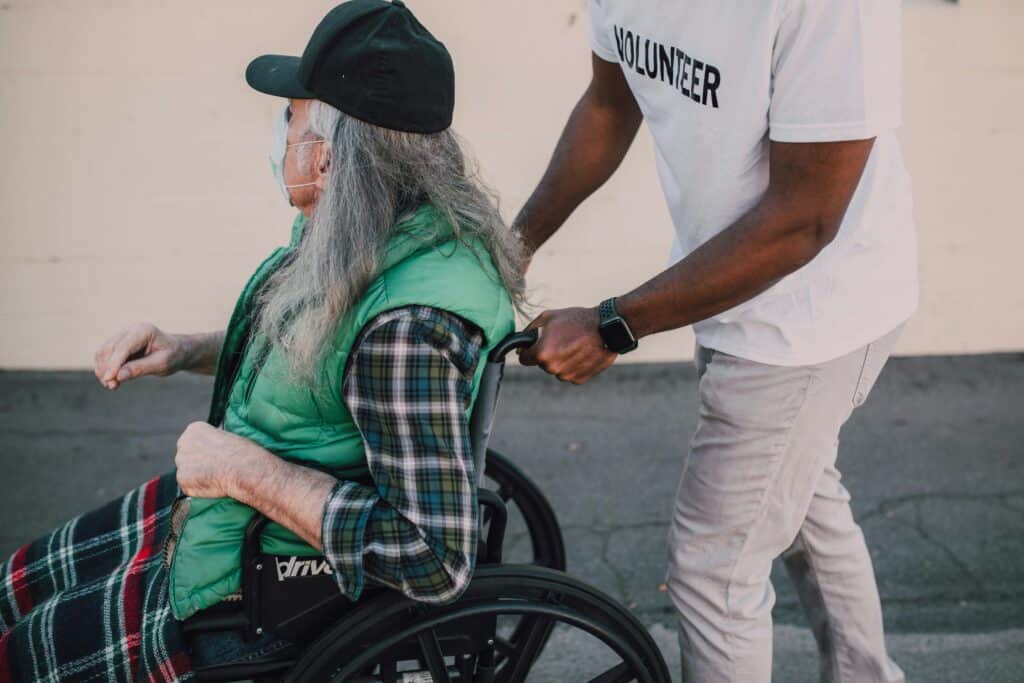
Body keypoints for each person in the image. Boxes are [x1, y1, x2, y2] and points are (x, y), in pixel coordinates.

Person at [0, 1, 525, 680]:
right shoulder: (386, 230)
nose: (280, 136)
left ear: (333, 160)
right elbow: (322, 358)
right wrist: (184, 347)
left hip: (267, 587)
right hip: (235, 519)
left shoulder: (406, 329)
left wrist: (244, 470)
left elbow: (434, 557)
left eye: (291, 119)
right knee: (17, 586)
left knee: (19, 657)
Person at [515, 1, 916, 681]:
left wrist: (614, 323)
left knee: (714, 567)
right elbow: (609, 107)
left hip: (811, 315)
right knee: (801, 500)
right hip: (734, 283)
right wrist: (510, 249)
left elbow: (805, 220)